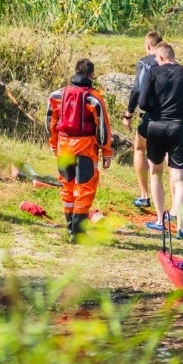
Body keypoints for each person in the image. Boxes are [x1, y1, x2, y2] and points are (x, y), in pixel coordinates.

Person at [138, 43, 183, 239]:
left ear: (160, 57)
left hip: (156, 126)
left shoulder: (153, 72)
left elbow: (143, 103)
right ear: (173, 55)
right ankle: (181, 228)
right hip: (178, 127)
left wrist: (156, 110)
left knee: (156, 173)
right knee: (180, 179)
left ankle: (160, 220)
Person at [46, 59, 113, 242]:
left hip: (63, 145)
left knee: (66, 186)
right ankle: (79, 233)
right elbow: (103, 128)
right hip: (85, 147)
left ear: (75, 71)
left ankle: (70, 229)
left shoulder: (57, 95)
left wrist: (53, 144)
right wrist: (107, 152)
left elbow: (50, 122)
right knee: (85, 188)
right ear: (92, 75)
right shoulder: (94, 98)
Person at [122, 31, 163, 208]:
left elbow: (137, 89)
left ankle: (144, 195)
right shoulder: (171, 62)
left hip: (150, 116)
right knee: (168, 159)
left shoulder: (144, 62)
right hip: (171, 118)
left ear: (148, 45)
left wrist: (129, 113)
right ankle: (175, 206)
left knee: (139, 149)